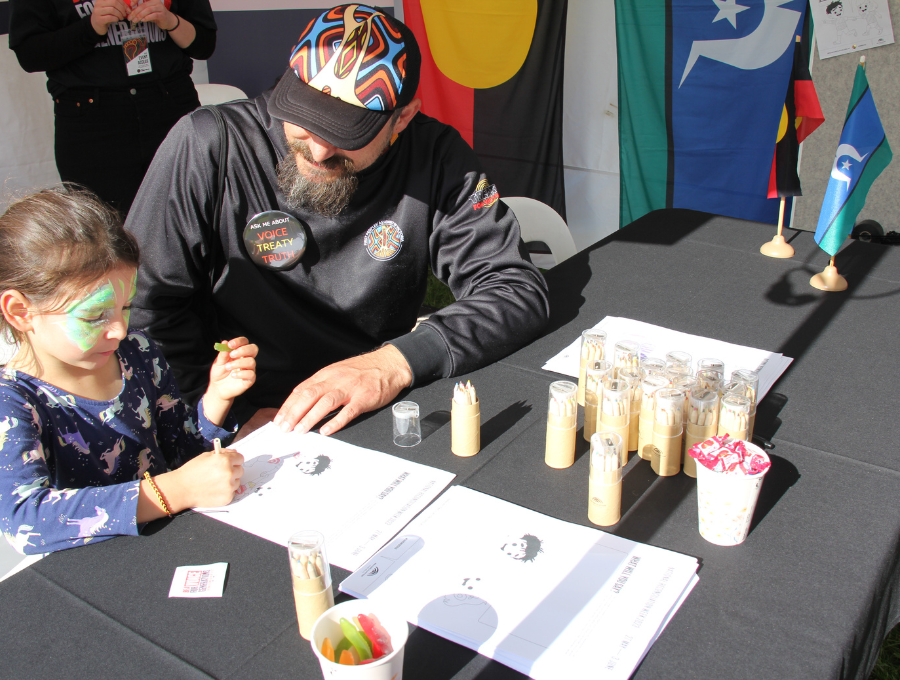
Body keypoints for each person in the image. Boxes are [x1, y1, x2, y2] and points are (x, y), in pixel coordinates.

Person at [127, 4, 550, 436]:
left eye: (347, 132)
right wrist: (215, 412)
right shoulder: (210, 145)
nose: (319, 150)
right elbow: (144, 308)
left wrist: (392, 364)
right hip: (241, 415)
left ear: (401, 119)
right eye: (305, 120)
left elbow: (515, 288)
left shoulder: (435, 157)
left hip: (372, 405)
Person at [0, 186, 257, 555]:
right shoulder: (13, 402)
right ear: (20, 312)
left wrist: (216, 397)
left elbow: (183, 453)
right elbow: (26, 519)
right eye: (94, 315)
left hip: (175, 547)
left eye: (125, 307)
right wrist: (177, 490)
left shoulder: (137, 353)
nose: (119, 329)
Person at [8, 0, 216, 215]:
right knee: (107, 232)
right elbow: (30, 55)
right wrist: (91, 27)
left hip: (170, 107)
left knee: (190, 218)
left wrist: (170, 20)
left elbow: (205, 44)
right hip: (91, 123)